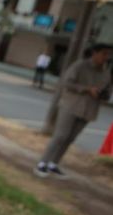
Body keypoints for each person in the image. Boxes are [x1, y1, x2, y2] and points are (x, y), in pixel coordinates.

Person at [34, 43, 112, 178]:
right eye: (104, 53)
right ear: (95, 53)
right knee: (60, 136)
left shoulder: (105, 73)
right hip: (71, 105)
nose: (107, 57)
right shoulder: (80, 66)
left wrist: (103, 94)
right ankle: (42, 163)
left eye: (108, 54)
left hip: (89, 110)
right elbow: (67, 83)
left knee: (70, 138)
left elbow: (107, 92)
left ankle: (53, 164)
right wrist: (87, 89)